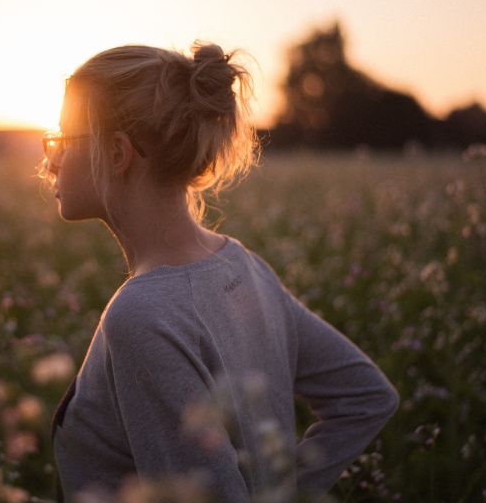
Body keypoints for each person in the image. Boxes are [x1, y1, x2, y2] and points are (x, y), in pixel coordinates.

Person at [42, 42, 399, 502]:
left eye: (64, 140)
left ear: (116, 152)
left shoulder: (141, 316)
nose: (50, 159)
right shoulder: (244, 266)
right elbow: (368, 397)